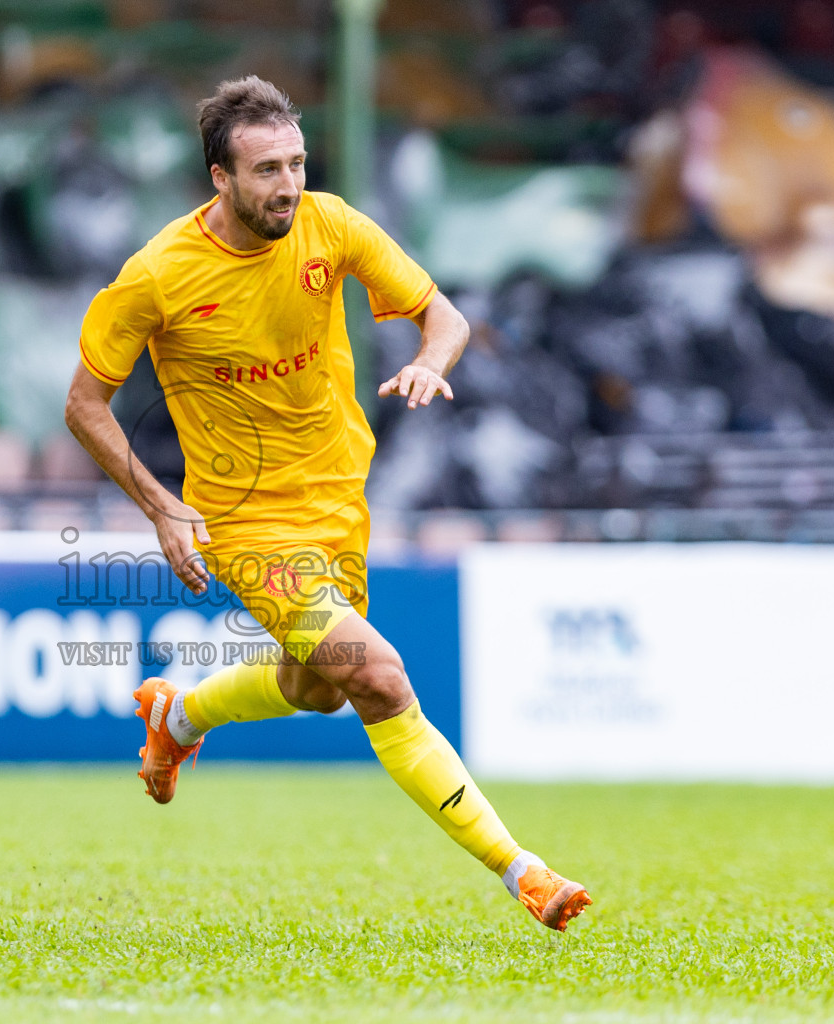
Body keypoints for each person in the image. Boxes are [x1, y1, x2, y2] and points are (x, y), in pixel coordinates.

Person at [64, 78, 591, 930]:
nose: (288, 184)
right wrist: (163, 509)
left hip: (340, 502)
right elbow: (84, 404)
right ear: (218, 179)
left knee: (316, 689)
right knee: (379, 679)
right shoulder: (158, 275)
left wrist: (431, 360)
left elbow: (443, 315)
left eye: (297, 162)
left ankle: (180, 712)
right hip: (243, 523)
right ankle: (521, 870)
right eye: (267, 168)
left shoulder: (330, 223)